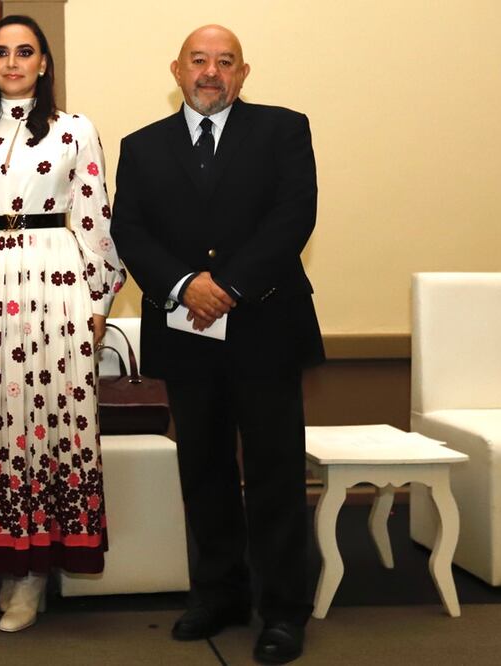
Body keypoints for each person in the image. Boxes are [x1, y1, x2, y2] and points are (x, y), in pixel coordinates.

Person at [111, 24, 323, 665]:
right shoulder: (142, 146)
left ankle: (283, 609)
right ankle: (218, 594)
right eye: (199, 61)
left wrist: (226, 286)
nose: (211, 72)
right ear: (176, 70)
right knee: (201, 469)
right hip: (186, 336)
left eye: (224, 62)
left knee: (274, 473)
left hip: (265, 328)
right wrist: (183, 285)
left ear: (244, 72)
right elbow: (130, 228)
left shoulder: (284, 130)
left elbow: (296, 214)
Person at [0, 14, 126, 633]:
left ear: (44, 62)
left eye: (25, 52)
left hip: (55, 284)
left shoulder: (75, 131)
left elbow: (96, 219)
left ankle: (34, 574)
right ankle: (8, 562)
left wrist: (98, 304)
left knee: (48, 420)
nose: (12, 62)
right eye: (1, 53)